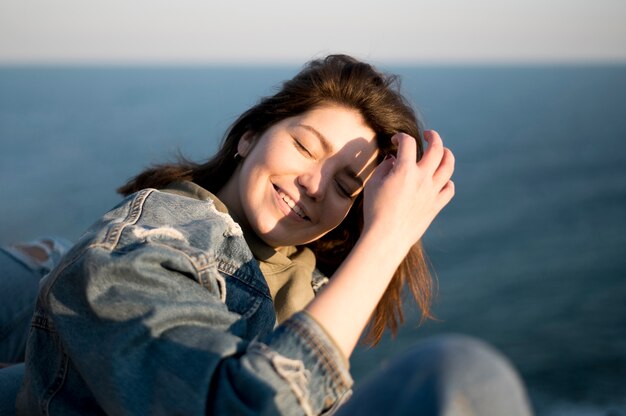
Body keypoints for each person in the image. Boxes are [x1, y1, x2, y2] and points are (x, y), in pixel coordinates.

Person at [0, 54, 533, 415]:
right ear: (250, 135)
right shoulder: (139, 254)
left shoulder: (301, 281)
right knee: (462, 376)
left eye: (347, 185)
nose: (314, 184)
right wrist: (387, 239)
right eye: (305, 146)